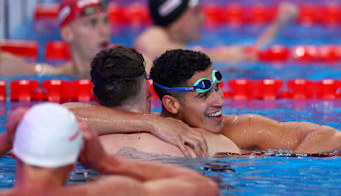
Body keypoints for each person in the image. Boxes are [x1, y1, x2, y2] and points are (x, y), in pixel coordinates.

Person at [67, 47, 341, 157]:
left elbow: (334, 137)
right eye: (204, 94)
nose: (220, 100)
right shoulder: (210, 144)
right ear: (170, 104)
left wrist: (289, 163)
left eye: (218, 88)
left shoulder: (241, 128)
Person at [0, 103, 219, 196]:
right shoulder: (111, 192)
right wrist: (106, 163)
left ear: (16, 153)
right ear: (72, 161)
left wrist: (6, 140)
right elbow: (203, 187)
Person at [135, 0, 298, 71]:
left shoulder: (176, 45)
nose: (203, 18)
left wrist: (276, 26)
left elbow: (246, 55)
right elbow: (157, 51)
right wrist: (228, 57)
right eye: (196, 12)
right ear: (177, 17)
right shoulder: (152, 37)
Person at [0, 0, 111, 77]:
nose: (104, 31)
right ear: (67, 33)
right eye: (92, 23)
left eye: (105, 21)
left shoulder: (125, 69)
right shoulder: (51, 73)